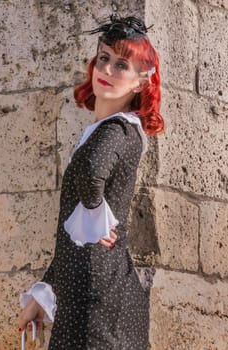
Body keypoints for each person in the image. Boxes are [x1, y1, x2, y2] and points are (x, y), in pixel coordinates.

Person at [18, 14, 164, 350]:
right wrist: (43, 294)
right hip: (91, 293)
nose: (108, 70)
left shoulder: (118, 129)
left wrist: (97, 213)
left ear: (141, 82)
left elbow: (91, 174)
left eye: (122, 64)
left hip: (99, 300)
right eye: (104, 58)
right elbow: (74, 232)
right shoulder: (103, 131)